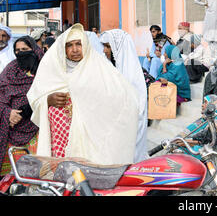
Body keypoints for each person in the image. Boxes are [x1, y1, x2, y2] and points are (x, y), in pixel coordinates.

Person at [27, 24, 140, 165]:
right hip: (62, 142)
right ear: (63, 48)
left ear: (85, 45)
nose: (75, 50)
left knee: (89, 175)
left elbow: (124, 97)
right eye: (69, 45)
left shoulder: (100, 67)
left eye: (78, 44)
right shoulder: (52, 70)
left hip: (93, 140)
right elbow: (34, 98)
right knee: (65, 178)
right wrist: (47, 100)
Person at [100, 29, 149, 163]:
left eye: (108, 47)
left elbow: (134, 107)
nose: (104, 51)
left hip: (129, 127)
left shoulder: (131, 74)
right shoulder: (113, 68)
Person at [0, 36, 42, 177]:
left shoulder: (44, 69)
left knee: (35, 175)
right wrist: (8, 113)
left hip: (36, 129)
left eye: (25, 49)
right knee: (11, 178)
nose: (21, 53)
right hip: (11, 130)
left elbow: (49, 94)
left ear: (34, 50)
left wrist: (27, 110)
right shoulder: (10, 69)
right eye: (17, 50)